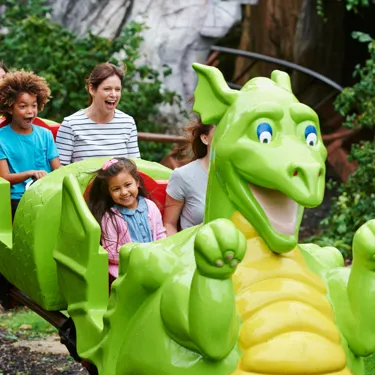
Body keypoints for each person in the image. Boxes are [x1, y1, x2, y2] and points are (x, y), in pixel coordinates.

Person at [88, 157, 166, 279]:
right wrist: (136, 256)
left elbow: (161, 234)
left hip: (153, 261)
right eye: (116, 189)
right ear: (109, 192)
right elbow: (110, 251)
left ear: (137, 182)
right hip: (126, 269)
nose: (124, 192)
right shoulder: (110, 217)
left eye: (128, 185)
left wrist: (159, 252)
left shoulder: (150, 206)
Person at [0, 70, 61, 217]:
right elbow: (5, 177)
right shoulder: (1, 138)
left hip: (47, 195)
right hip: (19, 200)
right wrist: (30, 173)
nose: (30, 111)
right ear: (9, 107)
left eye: (33, 105)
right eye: (23, 106)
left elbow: (58, 169)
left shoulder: (45, 135)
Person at [56, 62, 140, 165]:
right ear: (92, 89)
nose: (113, 95)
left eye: (117, 89)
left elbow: (136, 168)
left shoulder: (128, 123)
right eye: (107, 89)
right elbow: (59, 172)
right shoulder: (71, 124)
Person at [163, 119, 215, 236]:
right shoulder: (183, 176)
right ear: (205, 139)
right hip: (192, 248)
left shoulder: (239, 175)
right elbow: (169, 224)